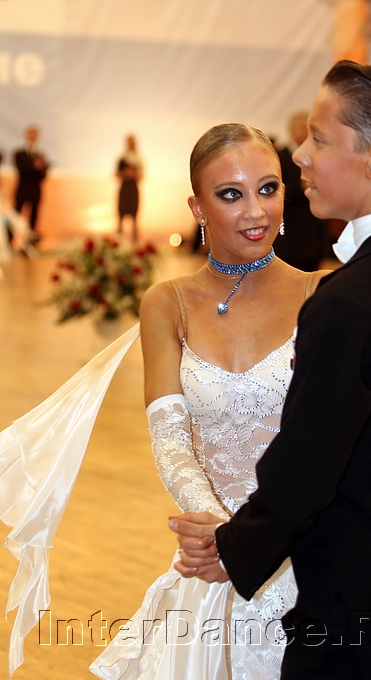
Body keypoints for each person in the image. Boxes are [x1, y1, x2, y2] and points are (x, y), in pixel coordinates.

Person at [170, 62, 371, 679]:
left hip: (359, 613)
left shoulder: (351, 302)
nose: (299, 155)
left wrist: (234, 547)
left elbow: (307, 464)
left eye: (320, 139)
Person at [88, 123, 329, 679]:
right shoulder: (167, 302)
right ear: (197, 207)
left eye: (268, 188)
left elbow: (326, 443)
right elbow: (169, 437)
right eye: (230, 194)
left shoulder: (321, 295)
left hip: (306, 555)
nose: (255, 211)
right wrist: (222, 536)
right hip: (210, 554)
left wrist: (255, 541)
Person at [273, 110, 329, 271]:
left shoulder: (319, 156)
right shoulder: (279, 157)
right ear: (292, 130)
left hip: (314, 235)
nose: (307, 132)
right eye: (304, 127)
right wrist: (300, 187)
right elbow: (273, 192)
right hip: (289, 236)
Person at [12, 125, 49, 243]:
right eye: (30, 134)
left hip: (35, 190)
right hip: (23, 189)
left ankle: (29, 242)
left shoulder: (41, 155)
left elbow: (43, 175)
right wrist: (34, 166)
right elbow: (21, 169)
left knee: (34, 217)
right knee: (15, 215)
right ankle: (10, 240)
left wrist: (42, 168)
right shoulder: (20, 154)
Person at [116, 134, 144, 241]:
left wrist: (133, 174)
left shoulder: (138, 159)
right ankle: (118, 242)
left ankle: (135, 242)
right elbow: (116, 174)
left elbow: (141, 175)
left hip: (133, 188)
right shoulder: (122, 158)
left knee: (134, 217)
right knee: (120, 216)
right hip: (124, 188)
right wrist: (125, 174)